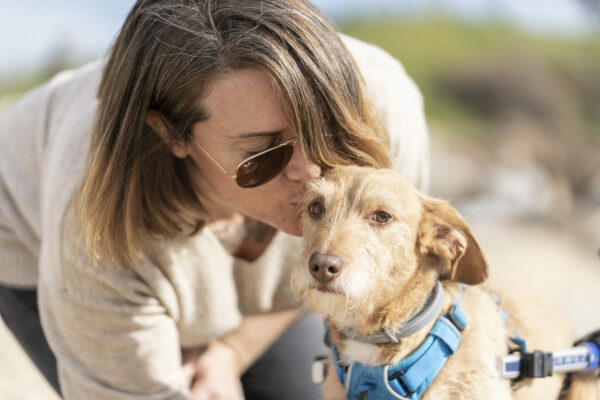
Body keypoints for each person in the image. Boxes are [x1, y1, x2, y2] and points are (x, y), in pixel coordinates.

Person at [0, 0, 429, 399]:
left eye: (325, 131)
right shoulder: (90, 222)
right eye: (265, 151)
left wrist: (232, 351)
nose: (312, 170)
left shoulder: (384, 113)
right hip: (34, 229)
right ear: (172, 134)